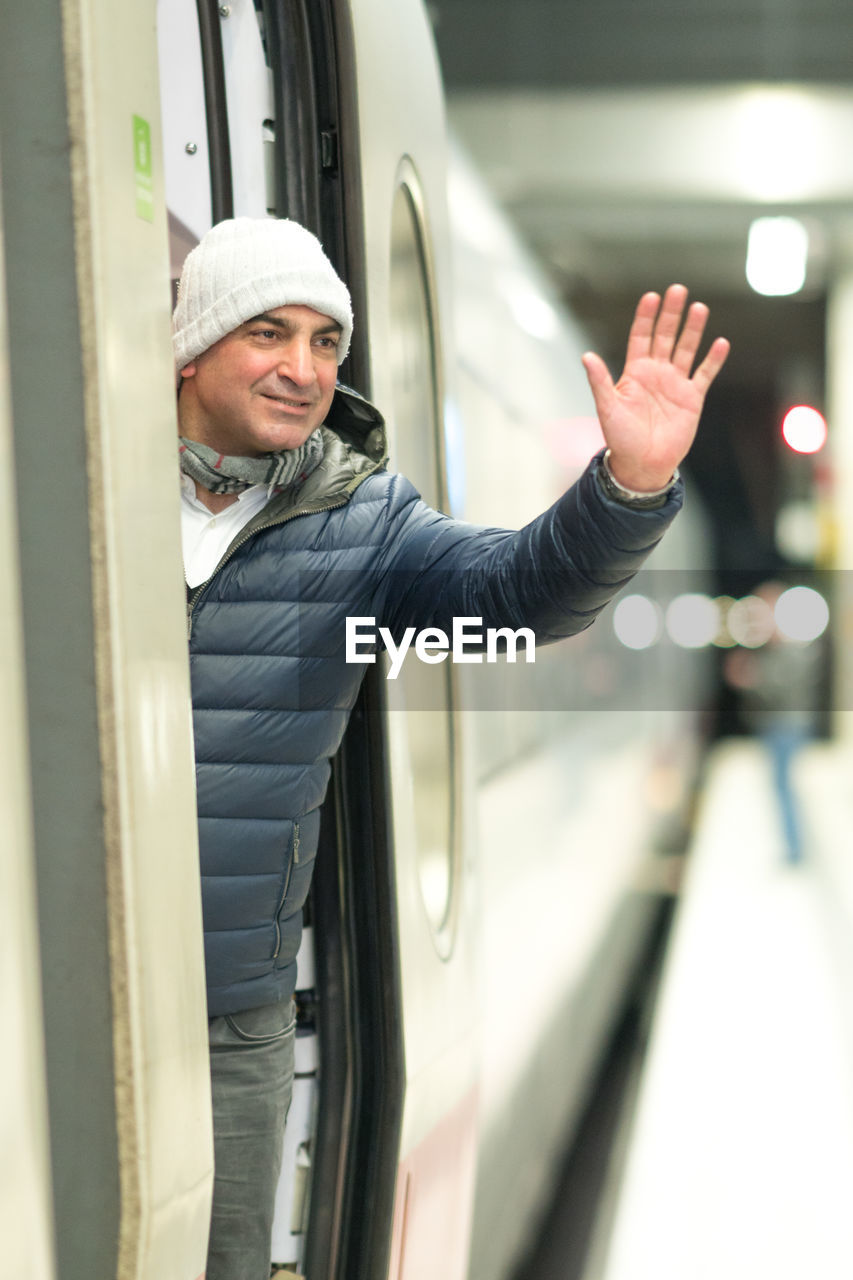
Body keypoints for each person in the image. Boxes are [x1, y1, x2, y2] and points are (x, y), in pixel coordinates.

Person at [172, 216, 729, 1279]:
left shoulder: (361, 521)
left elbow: (516, 598)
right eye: (268, 334)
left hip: (226, 1019)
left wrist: (628, 487)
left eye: (326, 343)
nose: (302, 369)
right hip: (59, 978)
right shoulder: (81, 487)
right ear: (193, 343)